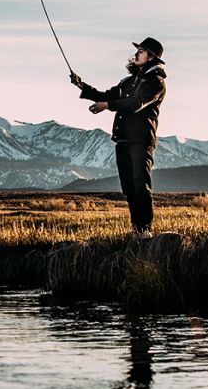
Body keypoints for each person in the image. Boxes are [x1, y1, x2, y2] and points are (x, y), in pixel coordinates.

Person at [70, 37, 167, 240]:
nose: (136, 54)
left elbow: (135, 103)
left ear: (151, 57)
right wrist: (82, 86)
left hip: (141, 140)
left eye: (141, 51)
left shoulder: (156, 82)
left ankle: (146, 229)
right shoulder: (128, 81)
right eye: (137, 50)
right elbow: (107, 95)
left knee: (141, 184)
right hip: (123, 139)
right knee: (128, 187)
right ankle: (137, 230)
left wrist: (106, 106)